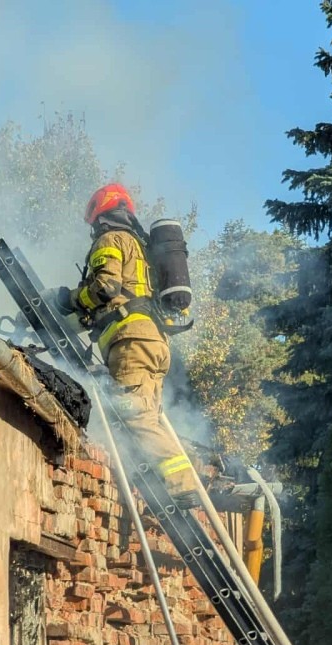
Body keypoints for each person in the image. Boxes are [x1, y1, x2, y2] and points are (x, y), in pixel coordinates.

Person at [52, 183, 202, 507]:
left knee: (133, 414)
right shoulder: (143, 249)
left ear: (98, 216)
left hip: (131, 341)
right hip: (153, 342)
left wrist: (73, 299)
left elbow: (106, 286)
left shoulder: (111, 239)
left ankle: (182, 483)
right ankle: (172, 482)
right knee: (149, 415)